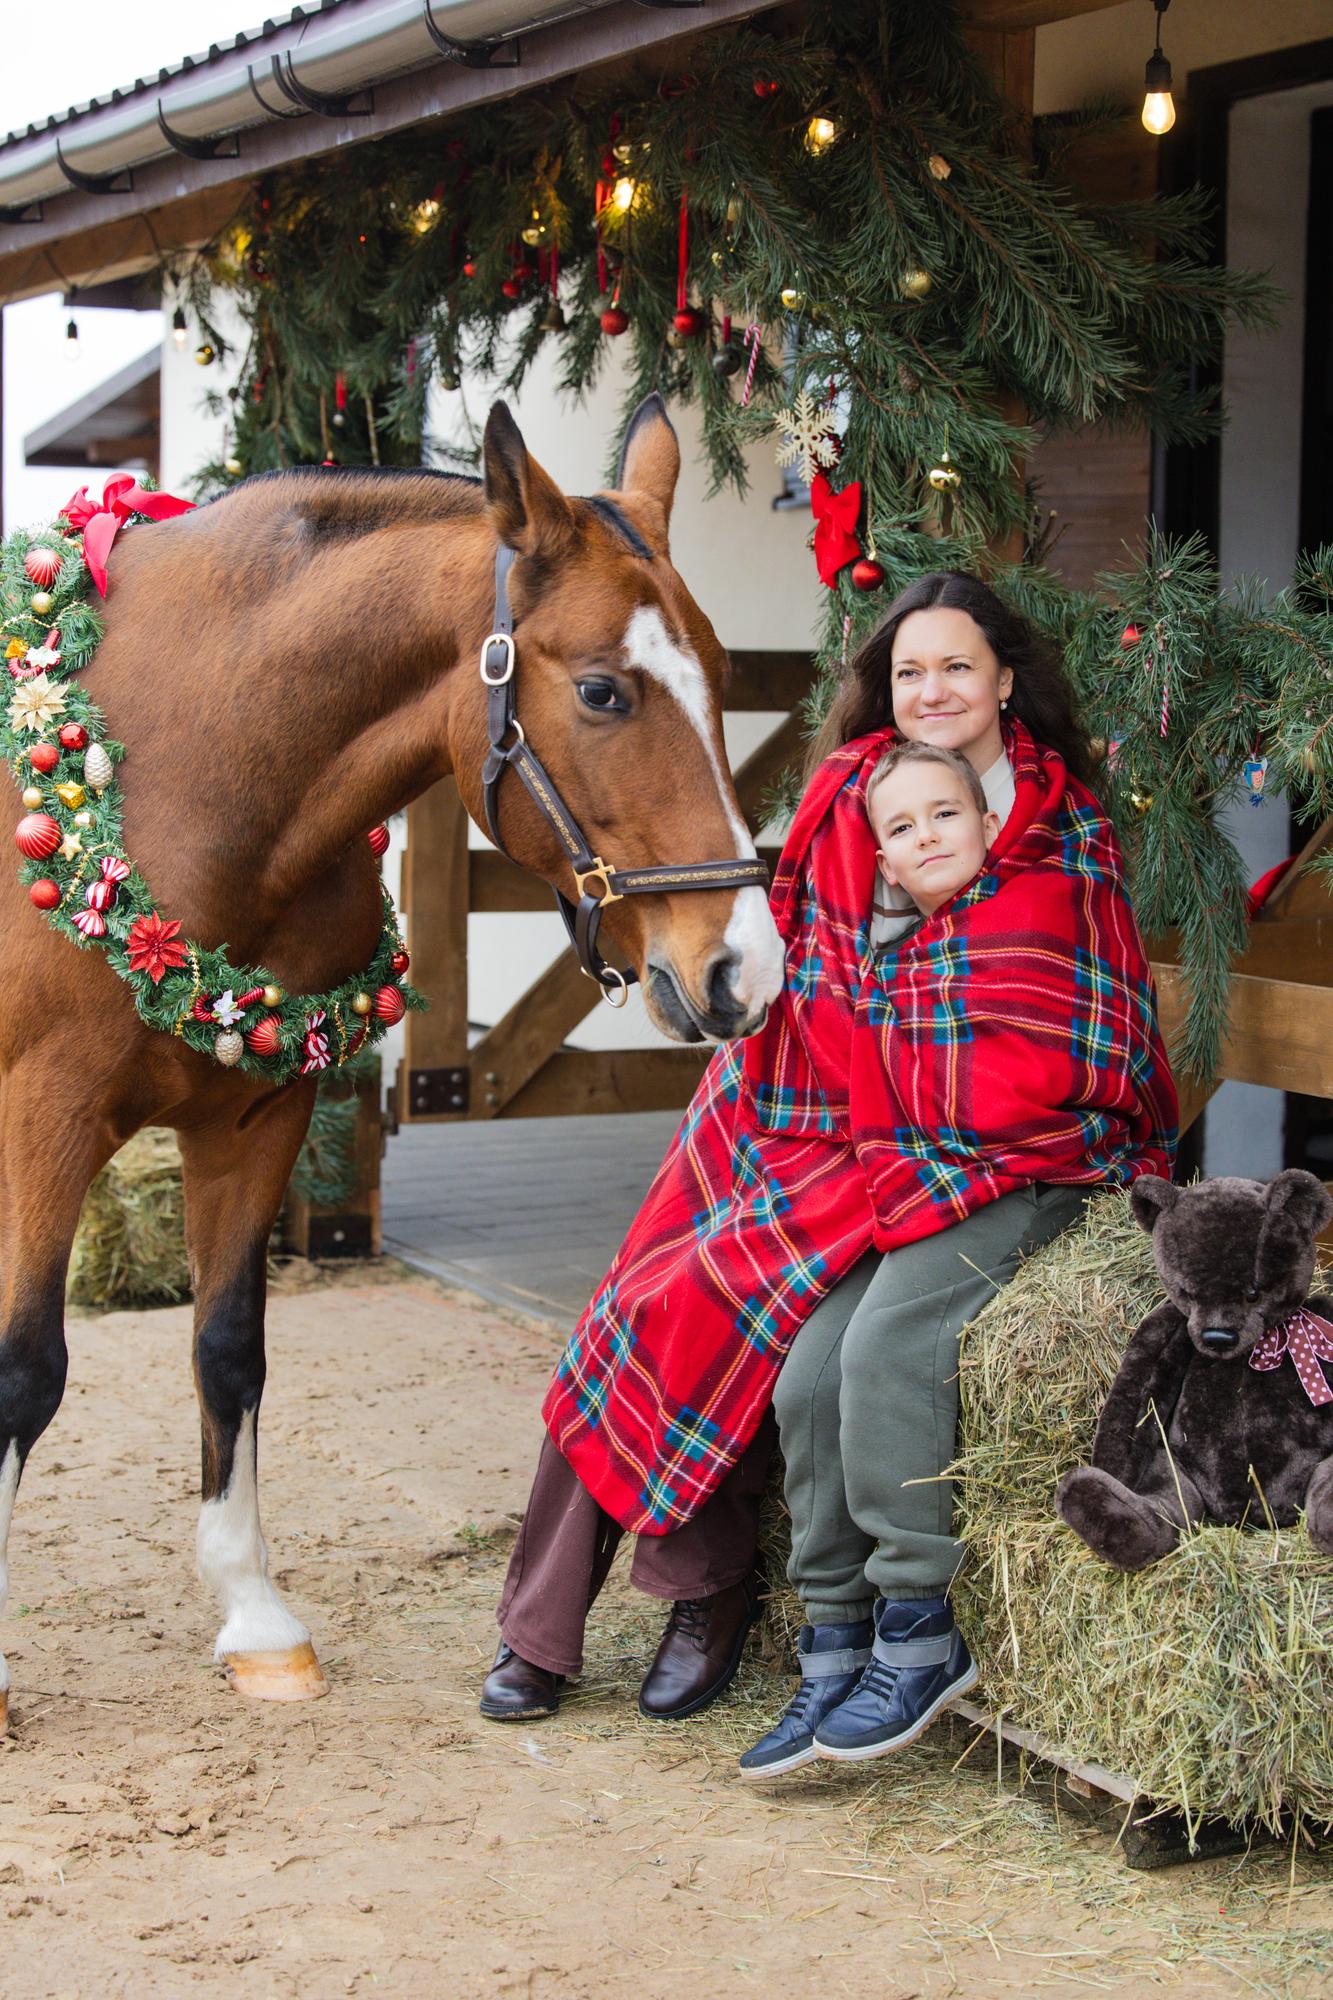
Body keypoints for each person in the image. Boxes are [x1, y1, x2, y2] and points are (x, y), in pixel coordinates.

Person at [480, 572, 1178, 1733]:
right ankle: (563, 1622)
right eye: (909, 670)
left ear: (1005, 678)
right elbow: (799, 976)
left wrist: (920, 1069)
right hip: (810, 1118)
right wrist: (862, 1070)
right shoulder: (851, 792)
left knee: (755, 1315)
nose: (932, 689)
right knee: (651, 1295)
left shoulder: (1068, 823)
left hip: (983, 1142)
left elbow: (1082, 1014)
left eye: (956, 665)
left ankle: (722, 1597)